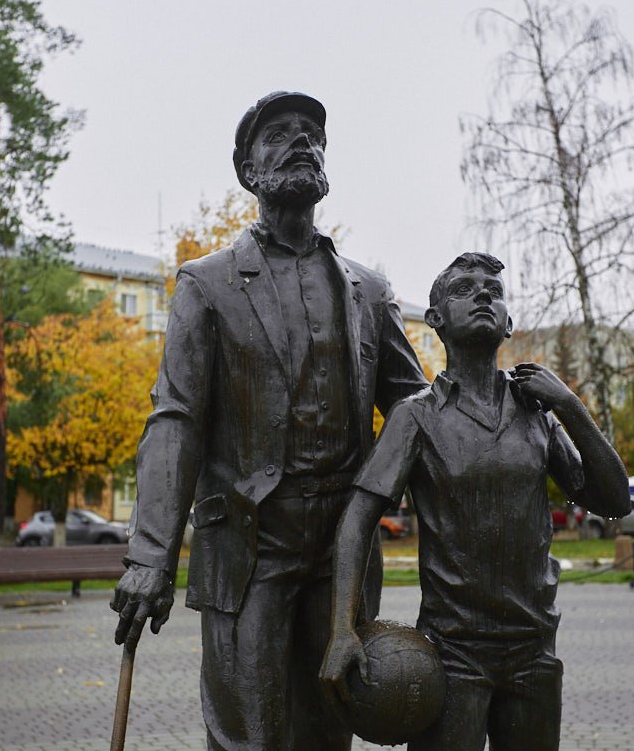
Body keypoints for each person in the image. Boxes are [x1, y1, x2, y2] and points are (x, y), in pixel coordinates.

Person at [111, 91, 428, 751]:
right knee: (247, 732)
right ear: (249, 171)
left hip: (343, 545)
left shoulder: (367, 288)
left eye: (312, 132)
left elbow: (412, 408)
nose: (302, 141)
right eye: (280, 134)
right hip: (251, 541)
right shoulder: (208, 283)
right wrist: (149, 556)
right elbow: (176, 419)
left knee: (326, 727)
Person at [319, 252, 630, 751]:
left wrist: (569, 404)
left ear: (509, 324)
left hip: (534, 650)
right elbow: (358, 519)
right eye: (464, 288)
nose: (484, 294)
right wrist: (342, 629)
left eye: (494, 290)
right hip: (452, 655)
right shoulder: (416, 417)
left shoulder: (538, 414)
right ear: (436, 320)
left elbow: (614, 499)